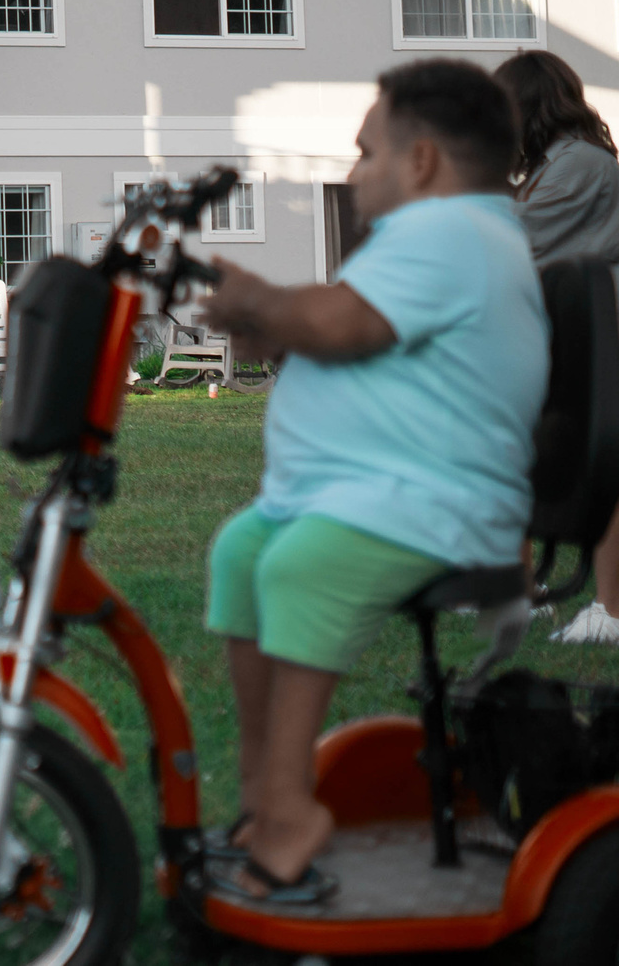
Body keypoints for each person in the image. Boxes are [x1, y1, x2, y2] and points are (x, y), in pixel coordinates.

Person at [198, 59, 549, 903]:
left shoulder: (453, 233)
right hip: (370, 492)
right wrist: (268, 322)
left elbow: (345, 323)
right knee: (243, 550)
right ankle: (261, 796)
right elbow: (349, 331)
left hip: (439, 501)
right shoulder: (434, 237)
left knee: (299, 566)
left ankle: (290, 810)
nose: (354, 172)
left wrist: (256, 296)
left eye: (365, 152)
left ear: (421, 160)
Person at [494, 51, 619, 646]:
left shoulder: (581, 165)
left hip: (602, 336)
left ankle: (612, 611)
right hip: (567, 337)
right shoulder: (555, 164)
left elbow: (512, 237)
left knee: (606, 472)